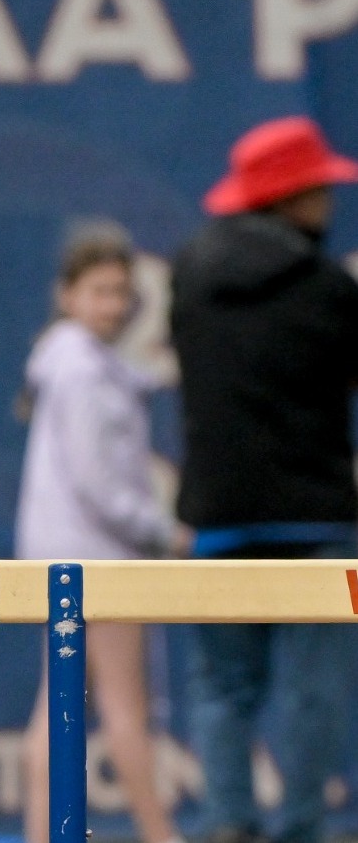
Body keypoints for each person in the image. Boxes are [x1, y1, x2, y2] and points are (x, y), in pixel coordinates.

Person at [171, 116, 358, 843]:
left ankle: (225, 827)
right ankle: (304, 830)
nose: (328, 204)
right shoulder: (327, 289)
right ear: (295, 198)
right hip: (316, 520)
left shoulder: (188, 272)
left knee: (221, 686)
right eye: (320, 191)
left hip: (218, 516)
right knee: (313, 690)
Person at [15, 222, 187, 843]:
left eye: (121, 291)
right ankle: (160, 836)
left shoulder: (77, 364)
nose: (113, 304)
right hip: (95, 560)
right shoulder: (82, 371)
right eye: (99, 291)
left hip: (68, 556)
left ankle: (40, 835)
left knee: (53, 709)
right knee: (123, 708)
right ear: (68, 296)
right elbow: (98, 483)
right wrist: (160, 533)